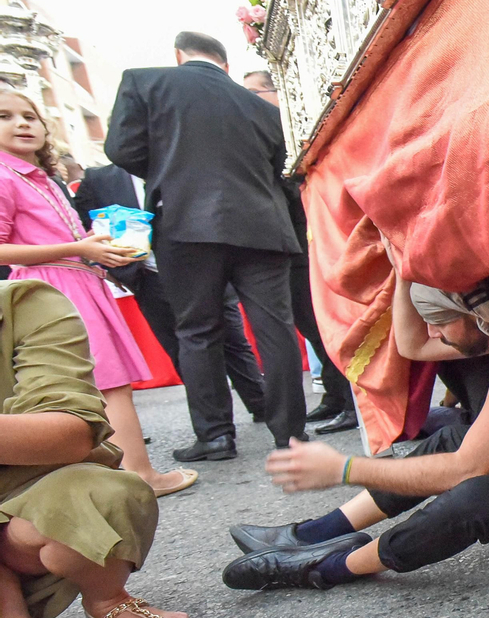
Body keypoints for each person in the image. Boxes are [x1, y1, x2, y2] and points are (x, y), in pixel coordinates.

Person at [220, 276, 489, 590]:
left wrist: (346, 468)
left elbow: (463, 471)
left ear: (474, 314)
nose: (432, 329)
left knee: (473, 498)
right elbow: (411, 345)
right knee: (450, 438)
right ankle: (317, 532)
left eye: (439, 318)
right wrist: (405, 268)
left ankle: (326, 566)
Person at [104, 31, 306, 460]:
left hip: (185, 222)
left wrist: (170, 171)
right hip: (263, 227)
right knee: (276, 328)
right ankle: (290, 435)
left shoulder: (144, 82)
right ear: (226, 65)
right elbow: (279, 170)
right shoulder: (263, 106)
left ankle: (215, 436)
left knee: (197, 330)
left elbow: (121, 149)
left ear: (179, 55)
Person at [1, 280, 195, 618]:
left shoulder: (23, 304)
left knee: (101, 496)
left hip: (32, 504)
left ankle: (106, 598)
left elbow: (69, 432)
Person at [0, 89, 197, 497]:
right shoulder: (5, 177)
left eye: (29, 116)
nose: (22, 123)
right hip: (51, 288)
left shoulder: (38, 178)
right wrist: (79, 249)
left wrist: (94, 247)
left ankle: (114, 474)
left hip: (72, 281)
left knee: (99, 381)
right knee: (106, 381)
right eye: (5, 116)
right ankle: (138, 475)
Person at [73, 161, 272, 423]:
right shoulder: (99, 179)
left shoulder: (184, 161)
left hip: (205, 268)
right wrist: (116, 269)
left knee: (233, 340)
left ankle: (262, 406)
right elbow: (87, 225)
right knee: (183, 350)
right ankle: (215, 428)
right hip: (148, 275)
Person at [240, 69, 357, 434]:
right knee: (310, 326)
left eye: (254, 92)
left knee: (324, 325)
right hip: (288, 242)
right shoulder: (264, 131)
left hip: (306, 239)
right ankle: (336, 397)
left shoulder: (289, 129)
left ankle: (354, 403)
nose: (247, 101)